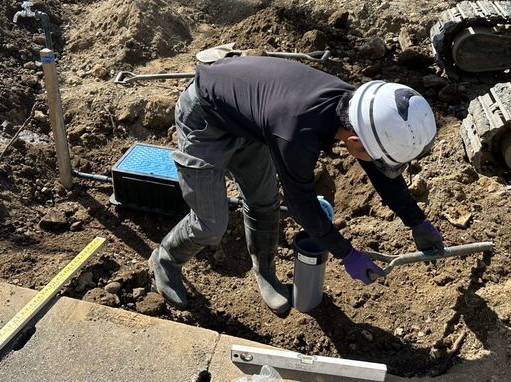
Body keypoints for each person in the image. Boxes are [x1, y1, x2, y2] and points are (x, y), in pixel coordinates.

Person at [148, 57, 445, 314]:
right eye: (376, 158)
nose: (377, 164)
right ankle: (166, 260)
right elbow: (303, 205)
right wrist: (346, 253)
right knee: (211, 222)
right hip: (205, 116)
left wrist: (416, 221)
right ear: (355, 142)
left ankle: (265, 274)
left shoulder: (359, 111)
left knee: (264, 202)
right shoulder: (295, 134)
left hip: (251, 118)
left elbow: (379, 170)